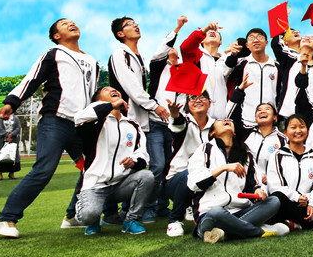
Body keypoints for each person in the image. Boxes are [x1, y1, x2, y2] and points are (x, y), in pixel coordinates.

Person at [0, 19, 100, 239]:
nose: (71, 24)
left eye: (73, 22)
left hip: (81, 125)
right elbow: (32, 79)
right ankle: (6, 219)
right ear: (56, 36)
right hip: (55, 121)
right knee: (44, 169)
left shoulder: (92, 61)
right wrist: (12, 102)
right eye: (64, 24)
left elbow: (93, 94)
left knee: (92, 168)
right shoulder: (55, 53)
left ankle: (72, 216)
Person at [108, 15, 182, 222]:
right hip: (128, 119)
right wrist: (155, 106)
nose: (136, 26)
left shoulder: (136, 56)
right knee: (140, 165)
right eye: (130, 24)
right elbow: (132, 88)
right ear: (120, 33)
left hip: (143, 122)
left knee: (149, 165)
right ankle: (120, 211)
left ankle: (144, 208)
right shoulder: (121, 54)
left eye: (136, 23)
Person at [74, 87, 154, 235]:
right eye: (106, 90)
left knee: (146, 176)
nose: (112, 90)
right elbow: (79, 119)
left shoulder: (133, 125)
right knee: (87, 216)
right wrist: (111, 106)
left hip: (121, 185)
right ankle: (92, 219)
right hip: (95, 186)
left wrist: (134, 161)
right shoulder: (93, 121)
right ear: (98, 100)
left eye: (114, 89)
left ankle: (131, 220)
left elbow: (143, 154)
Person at [188, 118, 283, 243]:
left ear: (234, 133)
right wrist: (223, 168)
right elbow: (194, 184)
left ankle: (225, 233)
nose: (226, 120)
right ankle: (259, 232)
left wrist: (259, 190)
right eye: (220, 120)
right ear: (212, 133)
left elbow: (254, 183)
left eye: (229, 120)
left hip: (240, 212)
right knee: (217, 212)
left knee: (274, 201)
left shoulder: (245, 154)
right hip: (210, 214)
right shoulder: (204, 149)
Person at [165, 91, 214, 237]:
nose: (198, 100)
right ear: (187, 105)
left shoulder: (215, 126)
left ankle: (193, 206)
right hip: (177, 180)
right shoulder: (184, 121)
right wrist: (174, 114)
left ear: (209, 103)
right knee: (190, 174)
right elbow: (178, 124)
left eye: (202, 97)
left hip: (206, 178)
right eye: (193, 98)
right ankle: (174, 220)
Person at [225, 27, 280, 126]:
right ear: (247, 45)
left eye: (259, 37)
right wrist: (230, 55)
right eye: (251, 38)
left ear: (266, 42)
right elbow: (224, 73)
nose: (255, 40)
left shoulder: (276, 66)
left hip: (270, 121)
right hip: (246, 121)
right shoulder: (241, 63)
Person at [0, 113, 22, 180]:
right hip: (1, 141)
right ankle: (0, 174)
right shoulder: (0, 118)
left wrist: (11, 134)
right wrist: (7, 135)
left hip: (13, 140)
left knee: (12, 156)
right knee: (0, 157)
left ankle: (11, 173)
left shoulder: (15, 117)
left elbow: (18, 127)